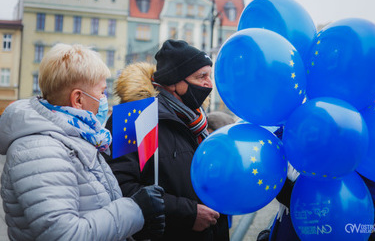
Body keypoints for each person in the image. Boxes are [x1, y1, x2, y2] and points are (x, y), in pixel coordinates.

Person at [0, 43, 165, 241]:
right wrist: (135, 208)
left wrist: (134, 227)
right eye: (102, 92)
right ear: (78, 99)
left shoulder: (77, 137)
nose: (104, 99)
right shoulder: (41, 150)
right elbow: (64, 235)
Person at [105, 39, 229, 240]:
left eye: (210, 76)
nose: (209, 84)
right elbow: (120, 185)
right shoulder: (130, 118)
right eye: (201, 76)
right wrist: (187, 214)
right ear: (173, 82)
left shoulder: (196, 121)